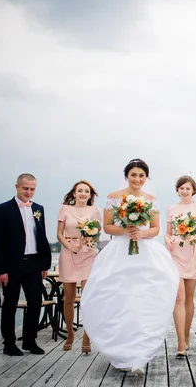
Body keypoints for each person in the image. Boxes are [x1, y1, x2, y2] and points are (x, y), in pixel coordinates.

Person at [80, 159, 179, 375]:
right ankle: (120, 353)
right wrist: (126, 229)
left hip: (146, 253)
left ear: (146, 178)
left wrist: (141, 233)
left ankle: (139, 356)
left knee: (144, 302)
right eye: (133, 175)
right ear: (127, 175)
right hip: (120, 253)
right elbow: (107, 227)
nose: (137, 179)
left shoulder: (151, 199)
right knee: (120, 301)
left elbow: (155, 229)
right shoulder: (114, 198)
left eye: (141, 175)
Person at [0, 173, 52, 356]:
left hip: (33, 263)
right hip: (11, 265)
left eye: (32, 189)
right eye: (25, 188)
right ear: (16, 187)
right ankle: (9, 344)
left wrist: (44, 265)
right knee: (10, 304)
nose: (29, 192)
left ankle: (29, 341)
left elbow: (42, 237)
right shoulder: (2, 209)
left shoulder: (38, 209)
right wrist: (0, 269)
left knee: (35, 302)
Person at [56, 180, 101, 354]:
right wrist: (69, 245)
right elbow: (59, 234)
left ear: (90, 195)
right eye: (80, 191)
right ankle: (69, 334)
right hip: (68, 253)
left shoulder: (94, 211)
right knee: (69, 297)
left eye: (86, 191)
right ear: (74, 193)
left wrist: (89, 240)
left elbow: (98, 232)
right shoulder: (64, 209)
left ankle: (87, 337)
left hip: (88, 254)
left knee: (87, 297)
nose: (83, 193)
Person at [165, 176, 196, 358]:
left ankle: (187, 334)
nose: (184, 191)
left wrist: (191, 236)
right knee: (178, 296)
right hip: (175, 255)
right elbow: (167, 234)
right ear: (178, 190)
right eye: (181, 188)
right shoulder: (171, 209)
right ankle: (180, 341)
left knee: (189, 297)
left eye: (187, 188)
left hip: (192, 254)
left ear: (193, 190)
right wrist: (167, 240)